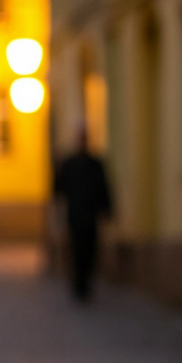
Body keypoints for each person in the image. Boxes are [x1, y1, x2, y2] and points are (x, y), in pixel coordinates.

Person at [53, 127, 113, 302]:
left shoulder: (95, 164)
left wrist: (107, 209)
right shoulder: (70, 164)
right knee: (76, 250)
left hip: (90, 215)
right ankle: (78, 285)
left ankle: (86, 284)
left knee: (90, 250)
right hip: (75, 215)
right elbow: (59, 189)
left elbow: (104, 187)